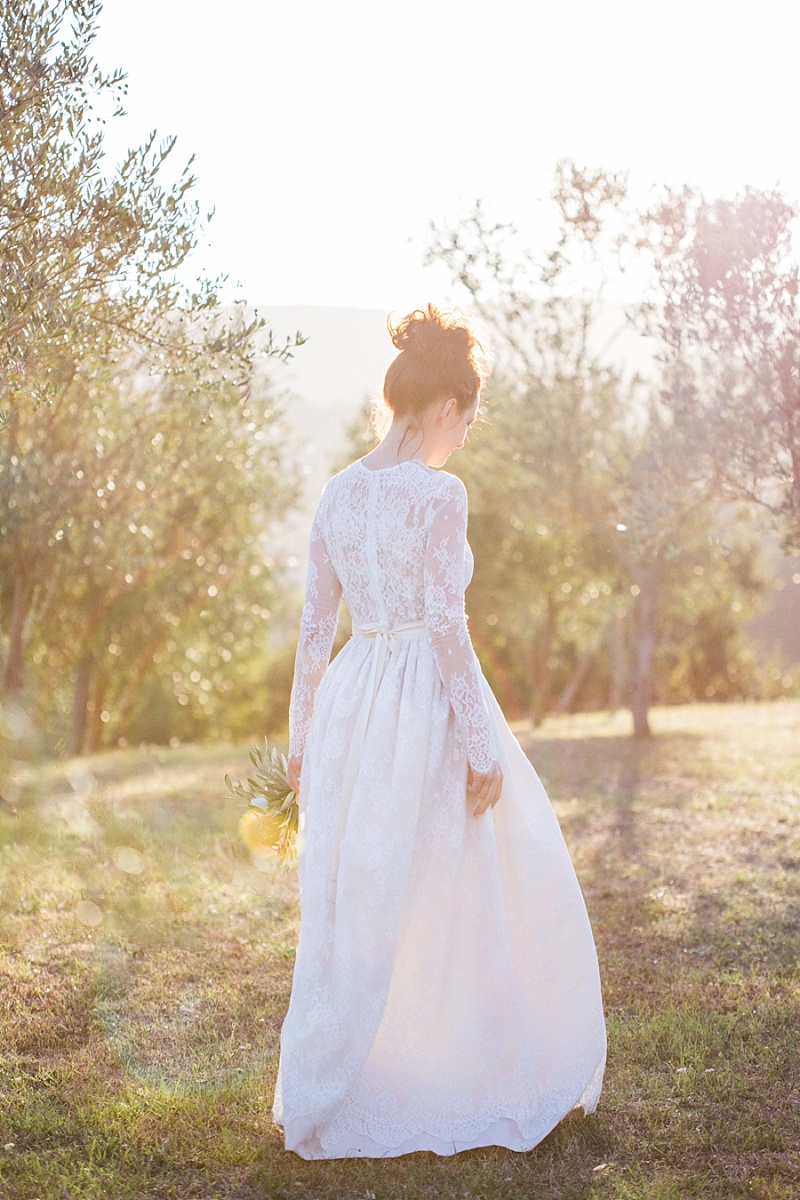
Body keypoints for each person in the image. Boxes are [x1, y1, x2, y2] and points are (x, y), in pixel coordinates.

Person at [272, 304, 606, 1159]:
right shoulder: (438, 493)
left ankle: (355, 1074)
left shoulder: (336, 494)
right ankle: (462, 1070)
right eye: (471, 413)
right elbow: (446, 624)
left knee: (366, 892)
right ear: (448, 404)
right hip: (421, 694)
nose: (468, 432)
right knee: (471, 879)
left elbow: (316, 631)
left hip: (353, 700)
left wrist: (301, 739)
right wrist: (481, 744)